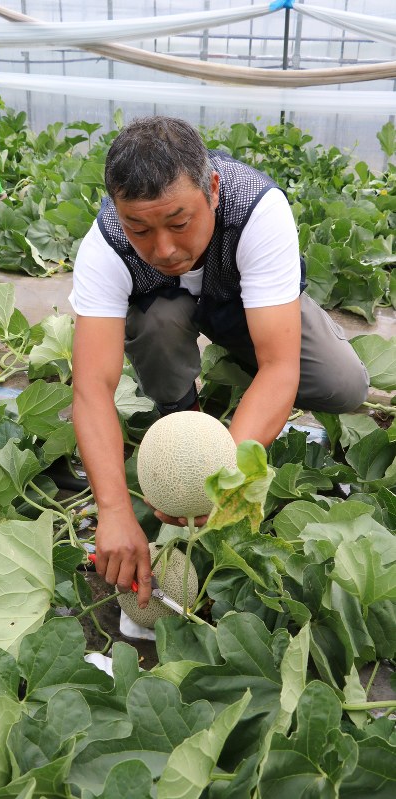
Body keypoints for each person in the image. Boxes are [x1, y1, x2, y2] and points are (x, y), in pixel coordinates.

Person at [69, 115, 369, 608]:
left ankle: (232, 385)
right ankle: (181, 416)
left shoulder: (258, 209)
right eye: (139, 228)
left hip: (248, 309)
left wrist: (222, 477)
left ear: (211, 188)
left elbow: (280, 367)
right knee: (157, 321)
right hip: (168, 313)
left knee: (344, 385)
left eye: (179, 223)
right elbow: (92, 389)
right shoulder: (105, 245)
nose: (163, 248)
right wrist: (114, 508)